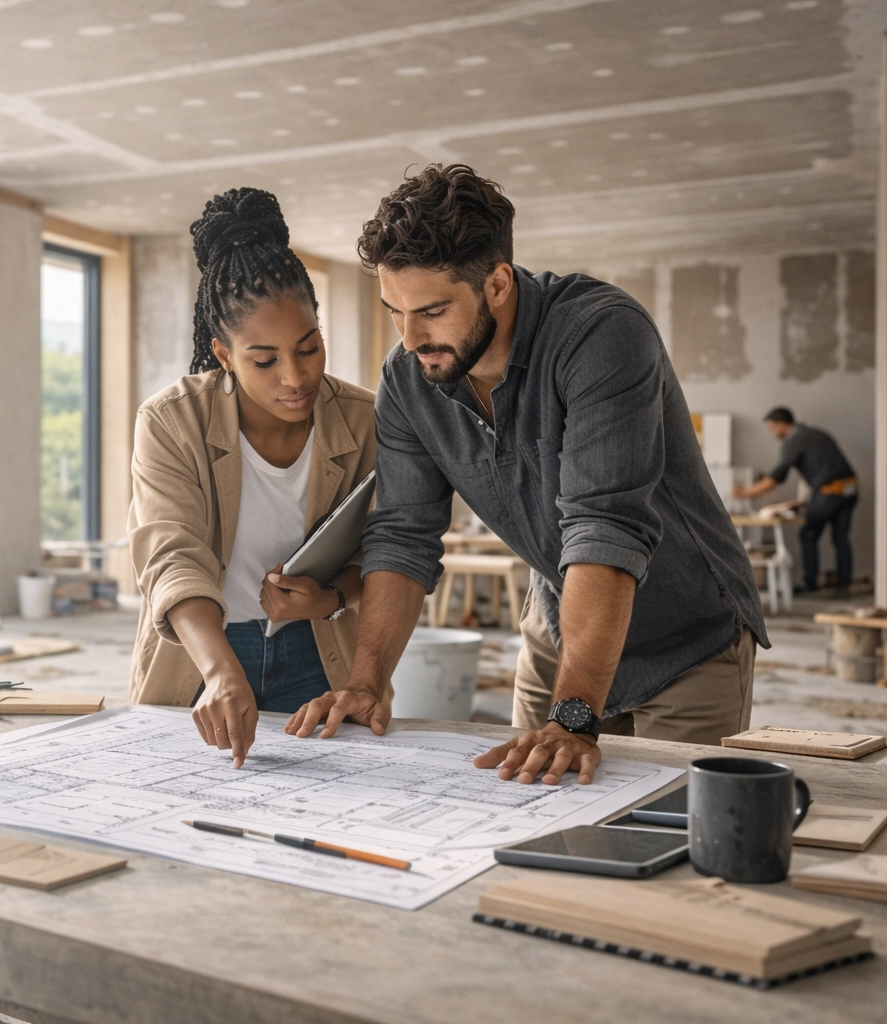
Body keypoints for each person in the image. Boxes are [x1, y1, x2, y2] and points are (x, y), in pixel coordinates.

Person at [286, 164, 768, 786]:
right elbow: (403, 534)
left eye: (431, 311)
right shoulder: (408, 380)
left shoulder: (601, 335)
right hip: (558, 631)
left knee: (668, 827)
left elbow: (604, 528)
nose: (410, 339)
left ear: (497, 283)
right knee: (530, 810)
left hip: (685, 641)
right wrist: (365, 683)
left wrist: (572, 718)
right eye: (395, 312)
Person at [128, 187, 377, 768]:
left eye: (309, 349)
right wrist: (220, 670)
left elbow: (390, 549)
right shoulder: (171, 421)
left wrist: (331, 597)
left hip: (320, 648)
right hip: (200, 651)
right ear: (223, 354)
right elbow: (169, 556)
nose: (295, 377)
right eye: (264, 360)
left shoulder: (365, 421)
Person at [733, 407, 858, 596]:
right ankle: (843, 586)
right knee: (841, 539)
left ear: (781, 424)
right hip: (850, 490)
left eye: (772, 428)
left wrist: (747, 493)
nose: (773, 433)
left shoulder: (794, 440)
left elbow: (777, 477)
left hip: (829, 494)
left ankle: (810, 584)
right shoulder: (816, 433)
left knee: (807, 535)